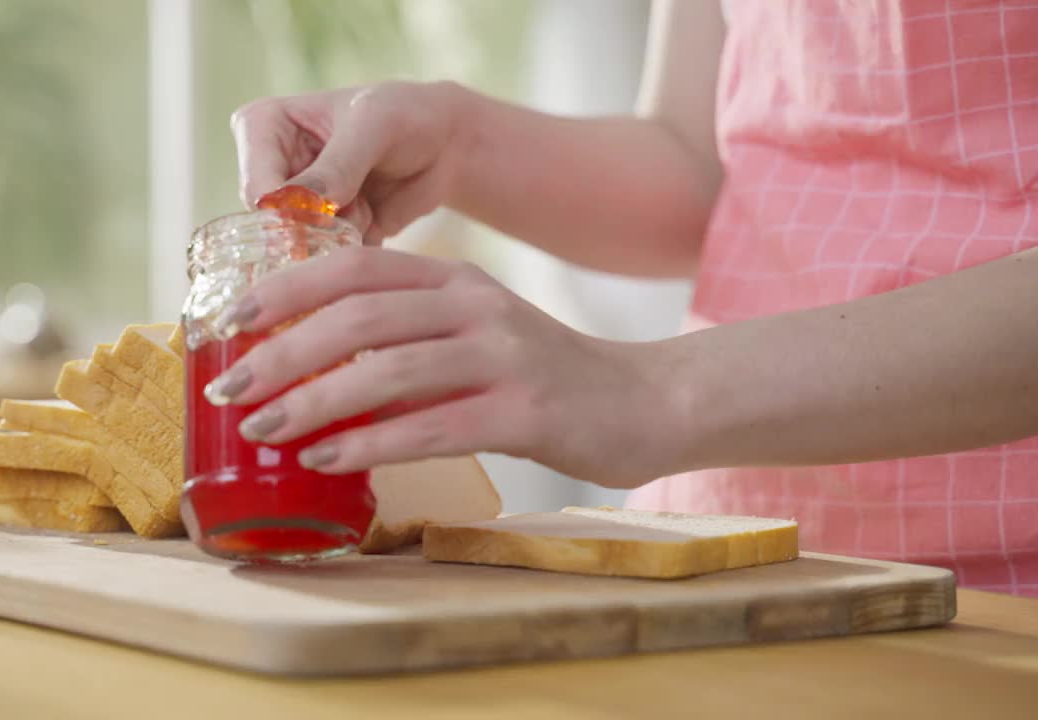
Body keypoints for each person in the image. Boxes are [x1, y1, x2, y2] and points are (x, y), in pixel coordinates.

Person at [210, 0, 1037, 596]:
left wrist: (653, 391)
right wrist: (456, 142)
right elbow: (702, 167)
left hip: (1001, 593)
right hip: (730, 551)